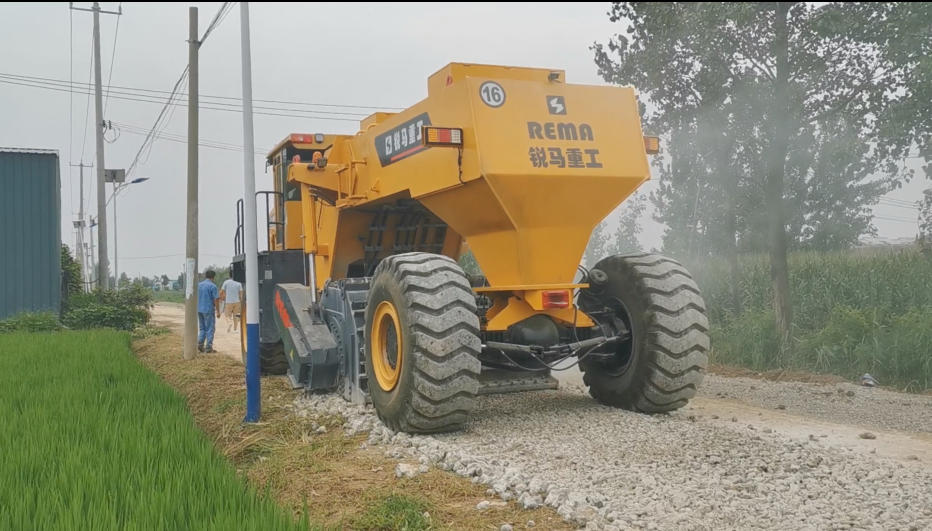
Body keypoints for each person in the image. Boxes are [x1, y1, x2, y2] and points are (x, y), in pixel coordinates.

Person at [197, 270, 220, 353]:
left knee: (202, 328)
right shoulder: (213, 286)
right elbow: (216, 299)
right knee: (210, 328)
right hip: (208, 309)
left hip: (199, 309)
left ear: (205, 276)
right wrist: (218, 311)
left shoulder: (199, 285)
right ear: (213, 277)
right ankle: (208, 347)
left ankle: (200, 344)